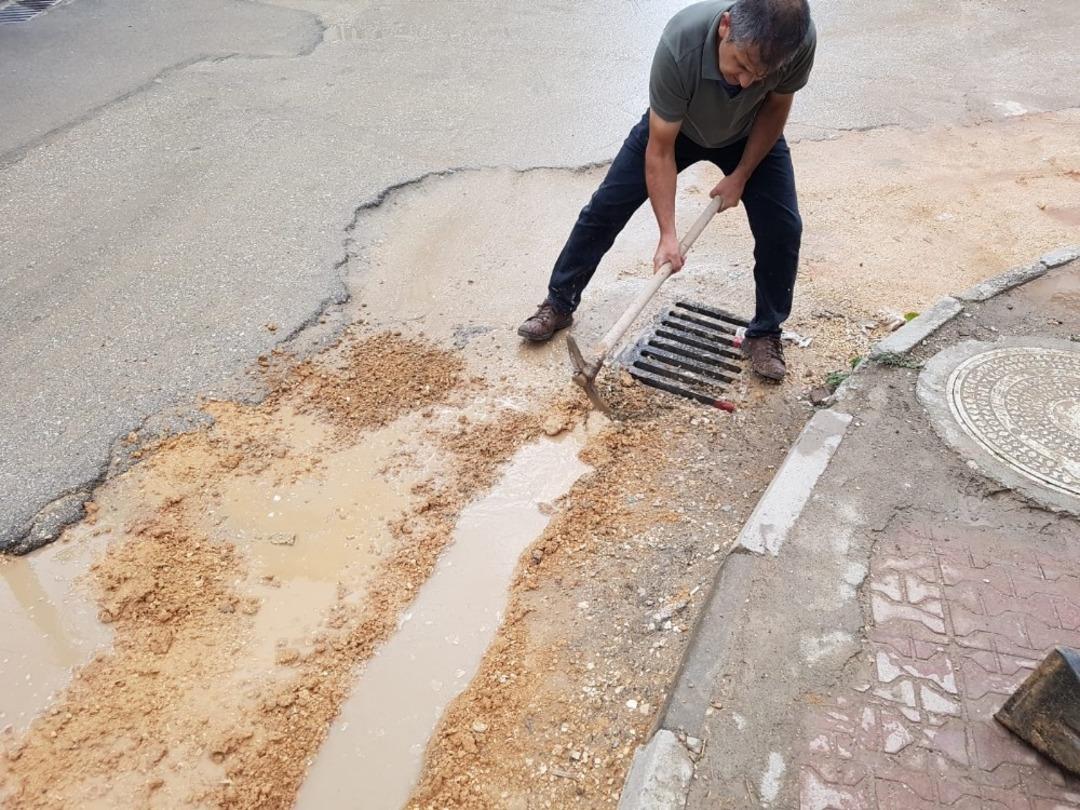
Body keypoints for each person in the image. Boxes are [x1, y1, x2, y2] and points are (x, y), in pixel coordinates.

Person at [518, 0, 815, 381]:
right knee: (604, 209)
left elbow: (776, 107)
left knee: (783, 229)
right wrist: (668, 235)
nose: (745, 82)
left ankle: (765, 333)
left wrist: (741, 173)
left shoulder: (797, 42)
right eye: (741, 65)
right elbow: (660, 150)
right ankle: (558, 303)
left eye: (759, 75)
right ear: (726, 26)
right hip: (678, 129)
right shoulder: (681, 42)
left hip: (751, 132)